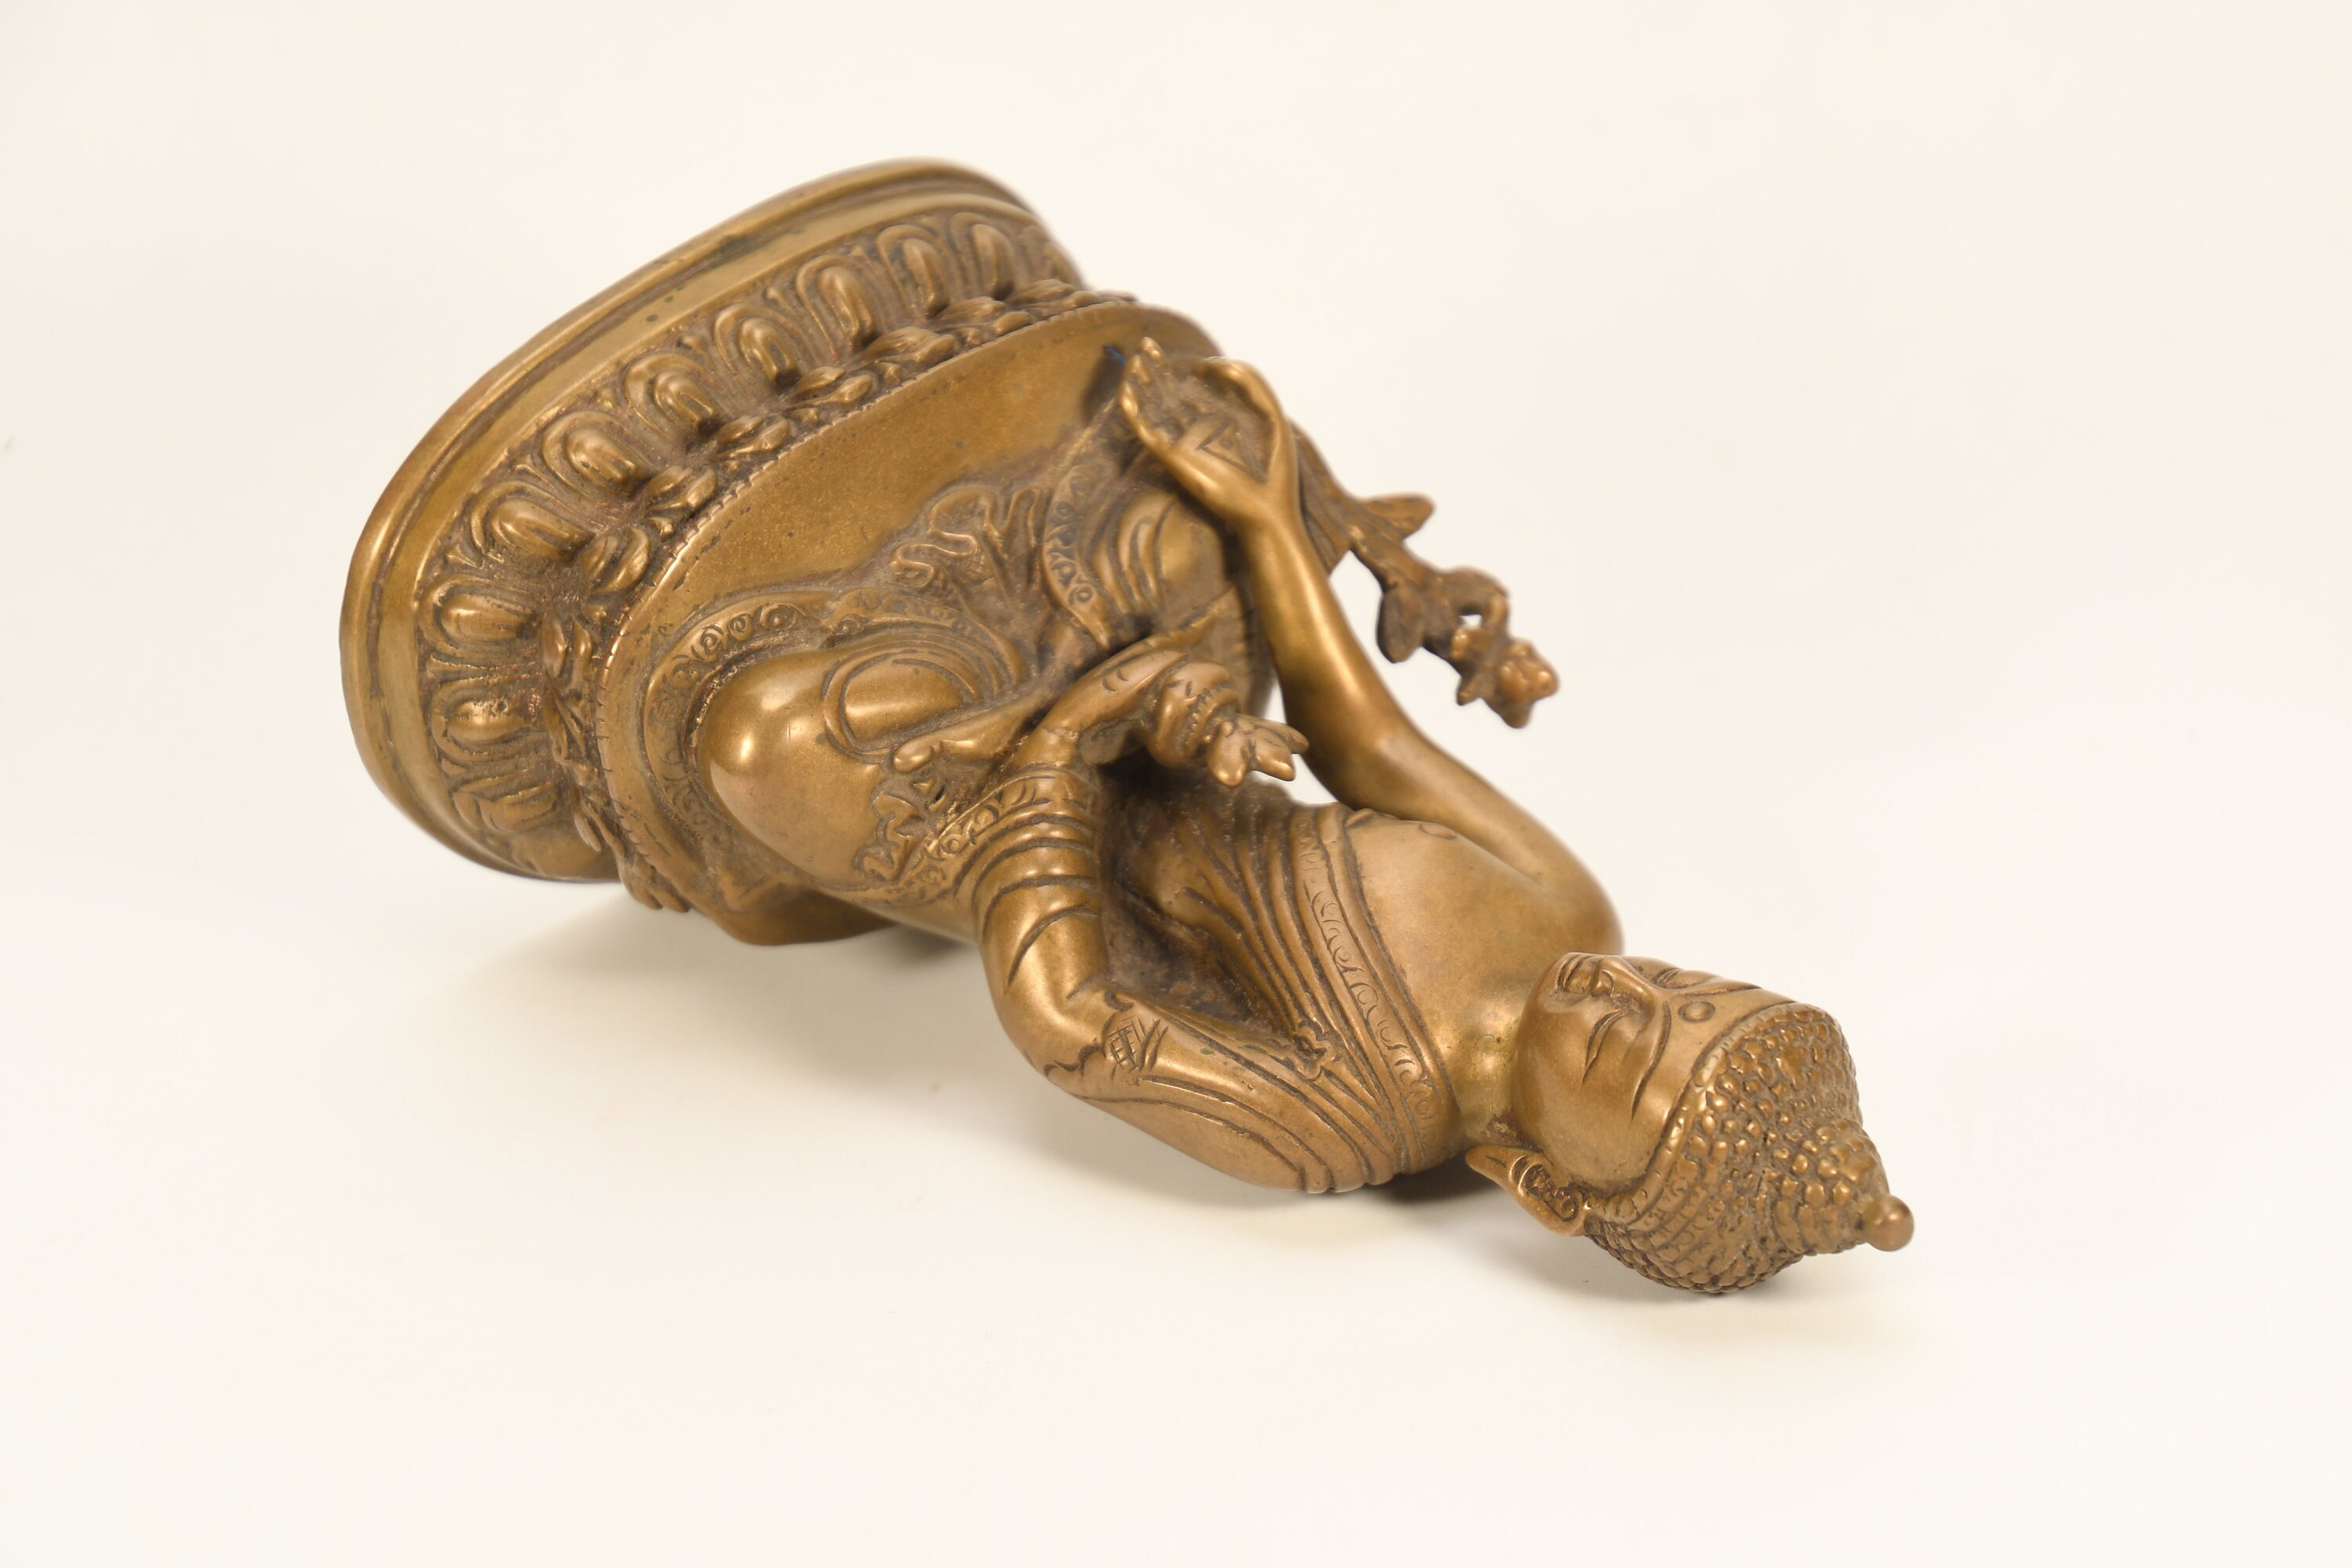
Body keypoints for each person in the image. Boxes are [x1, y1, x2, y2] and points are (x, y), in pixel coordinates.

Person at [706, 343, 1909, 1292]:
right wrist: (1270, 522)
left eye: (1615, 1047)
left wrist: (1063, 753)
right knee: (1175, 487)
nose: (1616, 989)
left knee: (762, 738)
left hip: (1005, 832)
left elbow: (1073, 1021)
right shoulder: (1566, 914)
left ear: (1542, 1187)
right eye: (1677, 984)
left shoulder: (1344, 1119)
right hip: (1189, 725)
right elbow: (1368, 747)